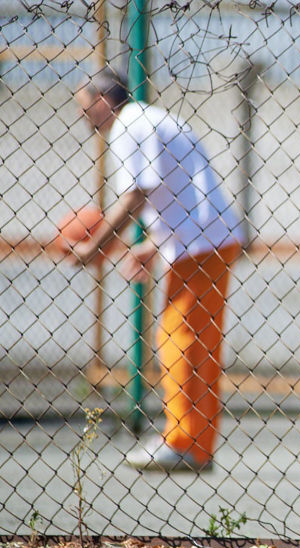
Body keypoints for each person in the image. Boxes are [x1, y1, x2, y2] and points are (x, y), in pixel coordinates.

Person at [67, 67, 243, 472]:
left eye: (84, 107)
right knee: (200, 346)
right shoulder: (154, 118)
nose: (83, 117)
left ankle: (182, 441)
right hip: (210, 238)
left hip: (199, 244)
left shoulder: (127, 126)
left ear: (102, 100)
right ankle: (196, 444)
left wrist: (95, 247)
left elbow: (136, 195)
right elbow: (178, 191)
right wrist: (153, 244)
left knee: (176, 339)